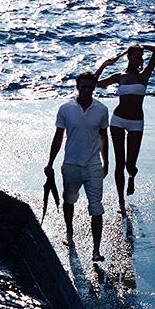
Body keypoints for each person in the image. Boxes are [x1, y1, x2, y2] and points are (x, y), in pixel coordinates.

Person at [45, 71, 109, 260]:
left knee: (96, 208)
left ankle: (96, 251)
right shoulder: (66, 109)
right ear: (77, 87)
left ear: (94, 87)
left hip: (93, 165)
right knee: (69, 200)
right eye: (83, 87)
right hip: (71, 164)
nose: (87, 90)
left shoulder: (102, 109)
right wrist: (50, 163)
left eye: (90, 87)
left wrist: (106, 162)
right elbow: (58, 137)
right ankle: (69, 233)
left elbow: (104, 137)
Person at [94, 43, 155, 215]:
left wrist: (139, 46)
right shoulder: (119, 76)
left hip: (136, 123)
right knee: (119, 164)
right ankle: (121, 201)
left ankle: (132, 177)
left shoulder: (145, 75)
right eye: (136, 56)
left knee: (130, 166)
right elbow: (95, 84)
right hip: (118, 121)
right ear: (129, 58)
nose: (139, 60)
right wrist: (104, 65)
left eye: (141, 57)